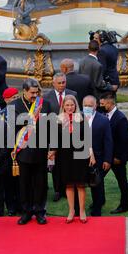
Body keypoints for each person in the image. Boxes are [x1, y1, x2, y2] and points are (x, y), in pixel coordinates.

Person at [11, 78, 52, 225]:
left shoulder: (45, 104)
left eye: (37, 92)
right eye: (32, 93)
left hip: (41, 151)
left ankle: (40, 211)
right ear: (24, 91)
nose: (35, 95)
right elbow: (13, 125)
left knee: (41, 183)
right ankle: (27, 211)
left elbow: (51, 127)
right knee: (24, 184)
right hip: (24, 151)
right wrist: (31, 119)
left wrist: (52, 147)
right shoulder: (14, 105)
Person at [54, 95, 92, 223]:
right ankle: (71, 210)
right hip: (64, 156)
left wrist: (91, 154)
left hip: (80, 155)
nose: (70, 107)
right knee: (69, 184)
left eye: (72, 105)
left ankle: (82, 210)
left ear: (75, 106)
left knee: (81, 184)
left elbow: (88, 138)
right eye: (67, 105)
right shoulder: (57, 120)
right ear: (63, 106)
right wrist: (52, 152)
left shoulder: (81, 118)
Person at [43, 73, 77, 202]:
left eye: (64, 82)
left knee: (69, 163)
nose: (62, 85)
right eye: (59, 83)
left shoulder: (73, 94)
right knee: (56, 165)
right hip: (53, 136)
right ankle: (58, 189)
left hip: (70, 135)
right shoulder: (46, 97)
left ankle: (69, 187)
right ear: (53, 83)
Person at [99, 93, 128, 214]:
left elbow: (123, 141)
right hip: (106, 156)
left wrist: (118, 157)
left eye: (102, 104)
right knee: (98, 179)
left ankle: (124, 205)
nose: (100, 106)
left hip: (117, 158)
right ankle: (99, 201)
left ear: (109, 103)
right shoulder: (103, 114)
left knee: (122, 182)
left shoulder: (121, 118)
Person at [82, 95, 112, 216]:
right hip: (80, 157)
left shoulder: (103, 120)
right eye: (85, 105)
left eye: (90, 105)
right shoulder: (77, 118)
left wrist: (107, 159)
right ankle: (79, 208)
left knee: (97, 184)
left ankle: (97, 208)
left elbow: (108, 141)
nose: (87, 107)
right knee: (79, 183)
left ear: (96, 105)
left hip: (98, 158)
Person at [0, 87, 21, 216]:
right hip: (6, 153)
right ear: (6, 100)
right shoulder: (0, 114)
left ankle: (21, 204)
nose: (15, 100)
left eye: (17, 97)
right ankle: (11, 207)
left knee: (21, 181)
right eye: (13, 98)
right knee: (8, 181)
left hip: (21, 150)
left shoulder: (22, 112)